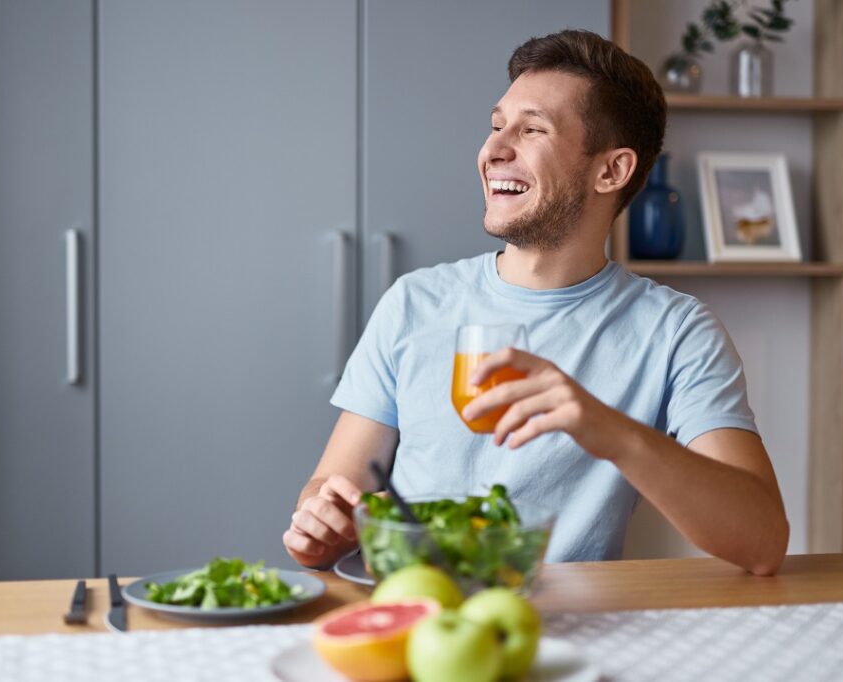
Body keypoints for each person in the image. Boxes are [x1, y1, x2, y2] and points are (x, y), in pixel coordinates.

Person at [282, 29, 789, 576]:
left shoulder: (676, 332)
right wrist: (321, 524)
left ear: (611, 170)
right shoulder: (414, 302)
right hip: (409, 610)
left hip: (567, 627)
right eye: (497, 125)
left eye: (532, 130)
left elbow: (761, 541)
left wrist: (608, 430)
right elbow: (336, 484)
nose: (493, 151)